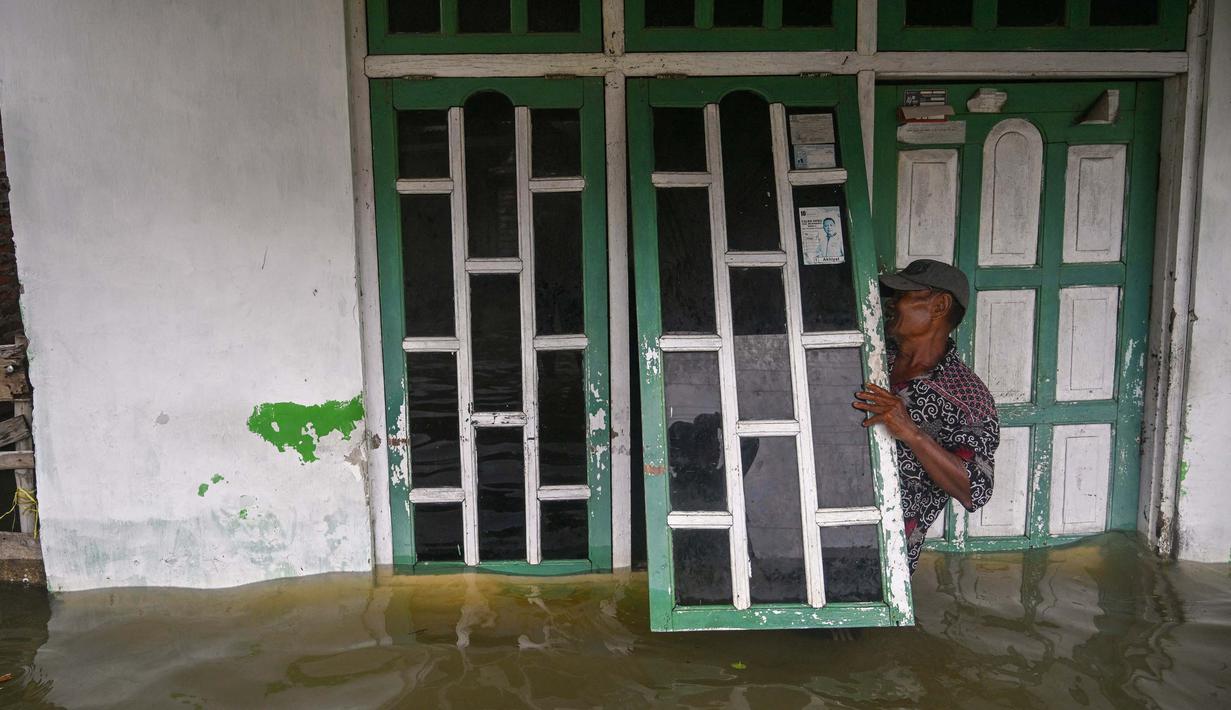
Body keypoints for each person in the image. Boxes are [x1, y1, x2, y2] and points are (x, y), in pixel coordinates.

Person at [851, 259, 998, 573]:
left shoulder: (966, 396)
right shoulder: (869, 354)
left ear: (940, 305)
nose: (891, 303)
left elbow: (975, 490)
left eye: (903, 294)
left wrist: (913, 433)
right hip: (820, 519)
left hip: (881, 555)